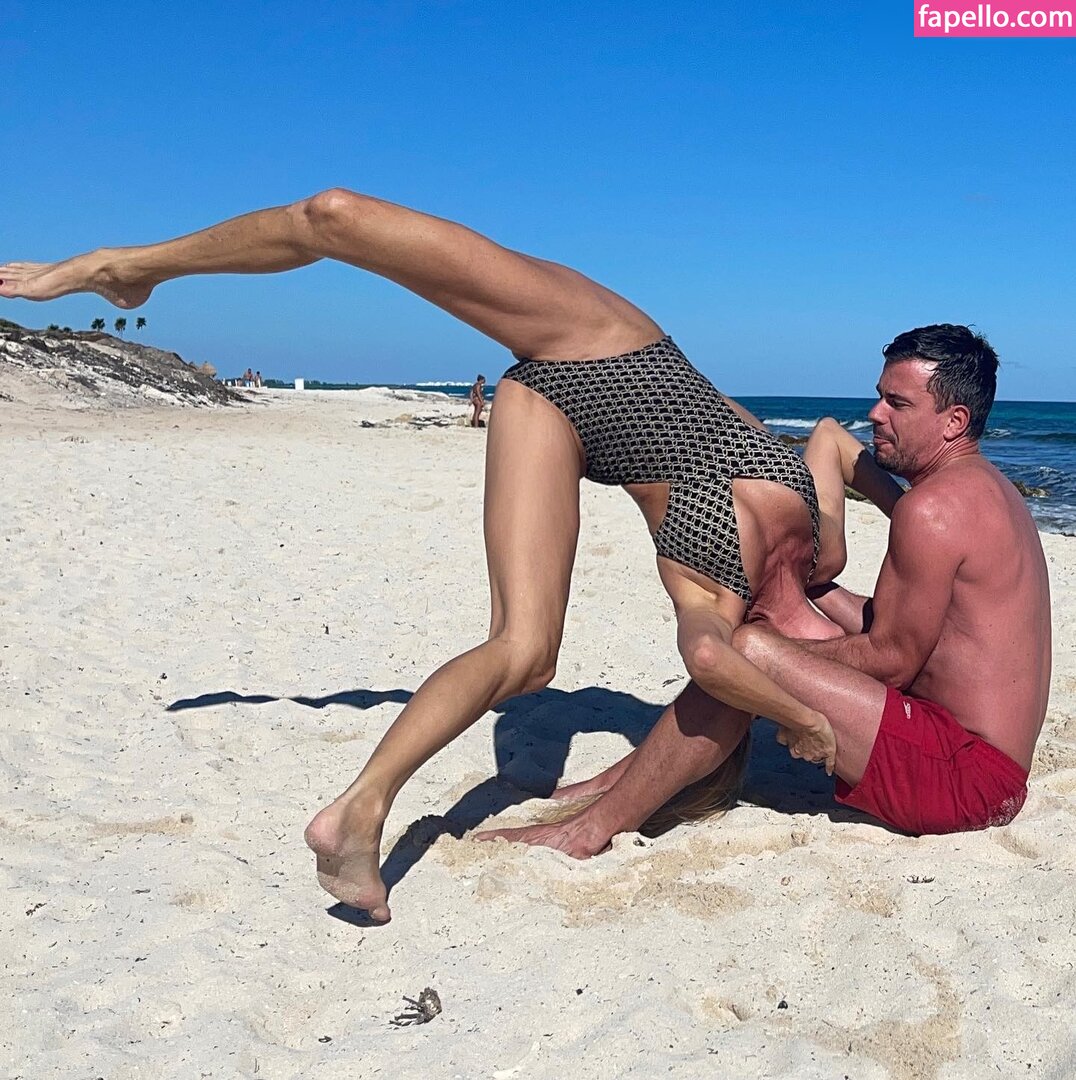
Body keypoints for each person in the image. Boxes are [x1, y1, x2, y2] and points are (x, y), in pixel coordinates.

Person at [1, 187, 856, 922]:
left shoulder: (721, 585)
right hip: (605, 342)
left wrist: (799, 716)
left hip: (551, 412)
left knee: (525, 655)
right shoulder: (824, 553)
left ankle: (359, 810)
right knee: (336, 216)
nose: (825, 656)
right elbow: (835, 437)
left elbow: (710, 658)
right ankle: (128, 266)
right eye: (828, 655)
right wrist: (912, 492)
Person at [480, 325, 1051, 855]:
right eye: (880, 396)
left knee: (745, 652)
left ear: (953, 421)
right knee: (764, 641)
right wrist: (806, 591)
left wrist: (774, 654)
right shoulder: (989, 491)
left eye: (897, 404)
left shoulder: (932, 510)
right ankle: (622, 780)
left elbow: (893, 659)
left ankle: (590, 829)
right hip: (975, 755)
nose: (875, 414)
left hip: (968, 780)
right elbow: (920, 631)